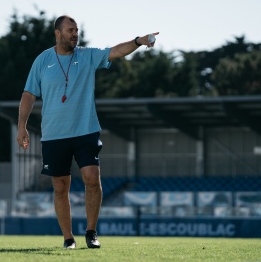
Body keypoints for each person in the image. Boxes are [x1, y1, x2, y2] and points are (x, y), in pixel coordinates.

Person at [17, 15, 158, 249]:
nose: (75, 34)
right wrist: (22, 126)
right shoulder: (42, 60)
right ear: (58, 33)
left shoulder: (87, 55)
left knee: (92, 179)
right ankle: (68, 239)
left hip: (86, 131)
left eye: (77, 30)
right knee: (60, 186)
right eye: (70, 30)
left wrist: (137, 41)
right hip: (54, 135)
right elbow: (28, 95)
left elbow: (115, 51)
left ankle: (91, 233)